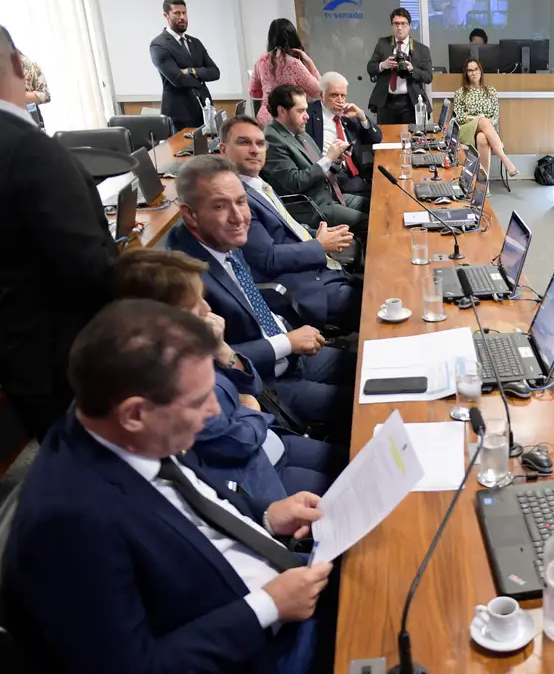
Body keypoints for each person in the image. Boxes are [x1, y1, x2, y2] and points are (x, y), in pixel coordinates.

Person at [1, 299, 336, 674]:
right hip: (260, 651)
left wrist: (266, 516)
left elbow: (194, 505)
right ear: (135, 414)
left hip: (280, 582)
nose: (214, 410)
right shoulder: (68, 525)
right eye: (198, 400)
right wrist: (268, 607)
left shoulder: (122, 428)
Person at [112, 249, 347, 505]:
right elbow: (235, 442)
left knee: (356, 460)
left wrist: (223, 351)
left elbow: (253, 386)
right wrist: (252, 412)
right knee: (353, 495)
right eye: (194, 305)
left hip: (273, 442)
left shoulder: (190, 346)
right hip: (258, 482)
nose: (207, 308)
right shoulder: (159, 383)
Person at [164, 155, 357, 440]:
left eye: (241, 202)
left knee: (371, 371)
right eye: (220, 206)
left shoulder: (220, 238)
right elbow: (213, 359)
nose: (239, 216)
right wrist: (286, 342)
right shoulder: (182, 279)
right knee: (361, 403)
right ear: (190, 214)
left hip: (291, 352)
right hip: (263, 382)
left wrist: (287, 335)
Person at [0, 24, 118, 438]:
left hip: (17, 355)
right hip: (63, 358)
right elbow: (86, 267)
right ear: (18, 63)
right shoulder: (31, 150)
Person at [223, 115, 363, 333]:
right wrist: (319, 245)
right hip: (305, 289)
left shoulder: (258, 184)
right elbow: (268, 259)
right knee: (379, 306)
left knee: (379, 286)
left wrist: (318, 232)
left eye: (260, 144)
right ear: (223, 150)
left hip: (321, 271)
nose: (254, 150)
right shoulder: (238, 200)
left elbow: (287, 227)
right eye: (244, 142)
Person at [262, 83, 369, 237]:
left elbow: (320, 168)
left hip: (331, 194)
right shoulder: (272, 138)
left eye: (306, 109)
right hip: (312, 206)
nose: (307, 116)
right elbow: (295, 182)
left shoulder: (298, 130)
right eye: (300, 111)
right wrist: (328, 158)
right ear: (281, 111)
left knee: (377, 205)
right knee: (371, 221)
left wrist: (336, 161)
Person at [307, 71, 384, 197]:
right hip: (327, 176)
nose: (340, 100)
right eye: (334, 95)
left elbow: (376, 138)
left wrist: (362, 116)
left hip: (353, 175)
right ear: (321, 95)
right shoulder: (309, 114)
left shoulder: (348, 115)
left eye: (343, 96)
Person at [149, 0, 220, 130]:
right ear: (166, 16)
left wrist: (191, 71)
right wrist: (202, 77)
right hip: (179, 114)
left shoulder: (195, 42)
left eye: (184, 13)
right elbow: (178, 79)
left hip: (204, 110)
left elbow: (215, 72)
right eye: (177, 13)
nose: (182, 17)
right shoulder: (159, 45)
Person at [453, 58, 518, 179]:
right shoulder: (460, 92)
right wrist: (478, 119)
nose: (473, 73)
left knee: (482, 138)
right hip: (467, 130)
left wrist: (487, 122)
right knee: (482, 120)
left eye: (476, 69)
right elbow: (459, 117)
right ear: (466, 74)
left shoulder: (491, 91)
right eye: (470, 70)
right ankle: (504, 159)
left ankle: (483, 183)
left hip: (487, 131)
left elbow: (495, 115)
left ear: (481, 71)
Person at [366, 7, 433, 125]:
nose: (399, 27)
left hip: (409, 101)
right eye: (396, 24)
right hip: (386, 101)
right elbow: (370, 68)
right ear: (392, 25)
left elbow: (428, 77)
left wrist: (412, 69)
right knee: (386, 139)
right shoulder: (383, 44)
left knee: (409, 139)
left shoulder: (422, 50)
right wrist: (383, 65)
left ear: (409, 25)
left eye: (403, 23)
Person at [250, 18, 322, 127]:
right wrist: (309, 62)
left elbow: (253, 91)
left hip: (265, 119)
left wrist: (268, 93)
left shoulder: (261, 61)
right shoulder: (294, 63)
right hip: (289, 119)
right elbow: (318, 91)